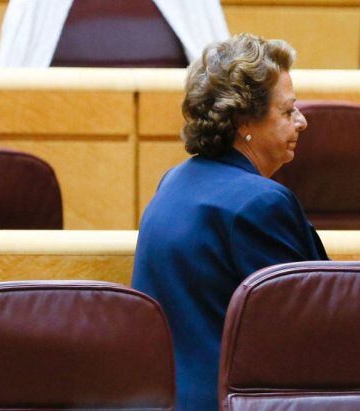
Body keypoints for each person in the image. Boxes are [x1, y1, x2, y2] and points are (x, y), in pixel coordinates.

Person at [132, 33, 328, 410]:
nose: (302, 122)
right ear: (243, 122)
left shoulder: (174, 181)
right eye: (288, 112)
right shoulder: (261, 204)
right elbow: (308, 332)